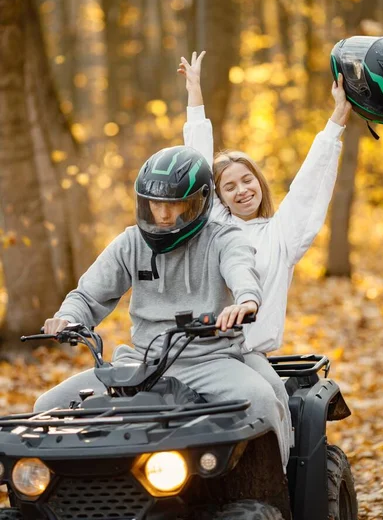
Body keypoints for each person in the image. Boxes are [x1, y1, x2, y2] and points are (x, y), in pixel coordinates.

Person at [35, 145, 291, 468]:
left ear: (198, 201)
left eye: (174, 203)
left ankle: (277, 494)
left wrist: (246, 301)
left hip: (209, 361)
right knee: (47, 406)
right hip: (141, 363)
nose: (164, 214)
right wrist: (67, 318)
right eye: (155, 203)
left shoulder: (224, 238)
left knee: (263, 400)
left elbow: (242, 271)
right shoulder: (131, 243)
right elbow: (87, 295)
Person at [178, 51, 351, 400]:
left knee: (272, 400)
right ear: (219, 197)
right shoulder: (212, 227)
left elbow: (308, 187)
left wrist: (338, 118)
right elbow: (196, 158)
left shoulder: (281, 235)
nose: (242, 190)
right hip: (201, 355)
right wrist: (194, 94)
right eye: (229, 186)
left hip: (248, 356)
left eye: (247, 180)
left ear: (259, 182)